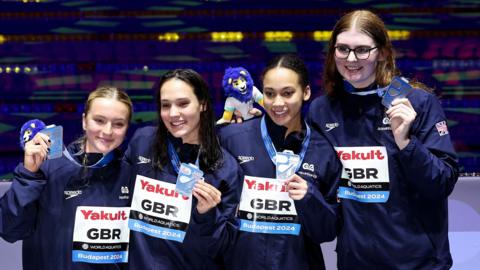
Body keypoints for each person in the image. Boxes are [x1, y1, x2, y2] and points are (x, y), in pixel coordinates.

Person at [307, 10, 460, 269]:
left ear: (382, 52)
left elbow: (442, 183)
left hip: (417, 262)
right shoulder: (322, 111)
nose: (351, 59)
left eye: (362, 50)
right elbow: (320, 183)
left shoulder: (418, 103)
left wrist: (406, 144)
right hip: (355, 262)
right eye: (342, 49)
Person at [218, 54, 342, 270]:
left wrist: (309, 197)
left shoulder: (323, 150)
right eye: (269, 94)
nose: (277, 103)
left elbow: (327, 232)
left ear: (306, 93)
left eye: (287, 93)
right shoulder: (232, 139)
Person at [0, 86, 133, 269]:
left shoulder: (131, 176)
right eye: (99, 120)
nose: (108, 131)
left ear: (127, 128)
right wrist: (28, 174)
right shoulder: (47, 167)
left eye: (118, 124)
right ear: (84, 121)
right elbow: (10, 230)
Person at [124, 69, 242, 270]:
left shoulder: (226, 168)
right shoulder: (143, 143)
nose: (173, 114)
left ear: (202, 104)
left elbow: (224, 250)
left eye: (183, 104)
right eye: (165, 105)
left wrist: (207, 215)